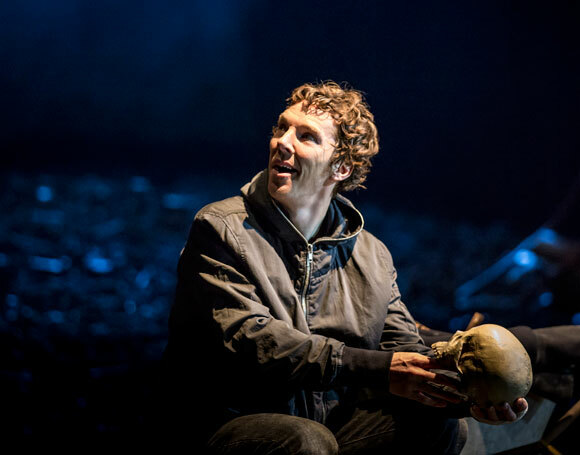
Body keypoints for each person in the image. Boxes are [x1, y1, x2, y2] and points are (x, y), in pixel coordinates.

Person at [161, 81, 528, 454]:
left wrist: (472, 401)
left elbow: (403, 349)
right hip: (230, 424)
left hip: (328, 429)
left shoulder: (371, 256)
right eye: (281, 128)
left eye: (306, 136)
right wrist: (378, 369)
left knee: (438, 425)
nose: (281, 142)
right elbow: (252, 342)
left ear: (340, 166)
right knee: (306, 440)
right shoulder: (222, 228)